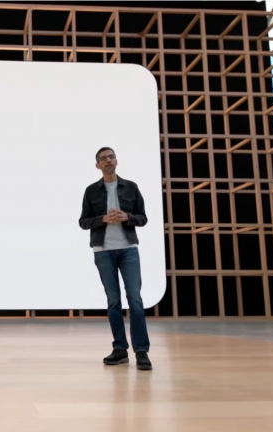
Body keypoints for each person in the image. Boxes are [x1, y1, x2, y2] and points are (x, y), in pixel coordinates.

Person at [78, 147, 152, 371]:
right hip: (103, 251)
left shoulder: (131, 187)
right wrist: (102, 219)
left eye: (111, 156)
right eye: (104, 158)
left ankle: (141, 351)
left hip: (129, 249)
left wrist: (127, 217)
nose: (109, 160)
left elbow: (143, 218)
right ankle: (120, 349)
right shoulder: (91, 191)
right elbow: (83, 222)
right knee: (113, 301)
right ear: (97, 165)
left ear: (116, 161)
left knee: (135, 299)